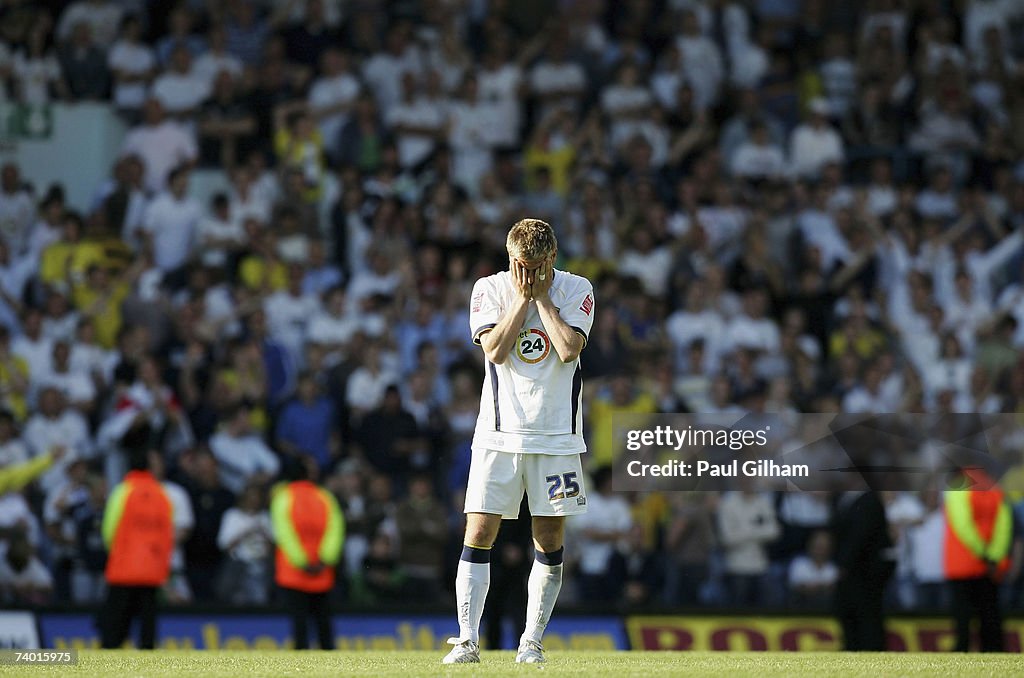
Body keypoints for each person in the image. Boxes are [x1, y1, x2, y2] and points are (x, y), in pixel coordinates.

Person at [443, 218, 595, 664]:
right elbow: (494, 351)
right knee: (479, 531)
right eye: (518, 265)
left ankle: (531, 641)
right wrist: (521, 303)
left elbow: (568, 349)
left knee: (548, 538)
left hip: (558, 439)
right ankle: (468, 640)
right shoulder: (488, 289)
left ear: (551, 259)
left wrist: (542, 300)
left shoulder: (576, 288)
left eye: (534, 265)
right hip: (498, 433)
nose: (524, 274)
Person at [100, 449, 174, 649]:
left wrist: (118, 554)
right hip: (151, 573)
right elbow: (168, 534)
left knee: (114, 630)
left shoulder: (123, 491)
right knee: (147, 631)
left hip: (123, 570)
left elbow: (109, 530)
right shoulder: (162, 495)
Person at [271, 456, 345, 650]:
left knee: (300, 628)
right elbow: (335, 528)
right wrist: (325, 559)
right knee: (325, 627)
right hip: (321, 571)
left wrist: (301, 561)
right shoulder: (324, 496)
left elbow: (284, 532)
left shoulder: (283, 496)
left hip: (293, 572)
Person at [944, 466, 1012, 652]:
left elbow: (963, 525)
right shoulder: (994, 489)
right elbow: (1004, 526)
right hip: (990, 567)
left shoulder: (959, 487)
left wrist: (982, 553)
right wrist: (993, 557)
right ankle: (994, 652)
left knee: (962, 617)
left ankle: (961, 652)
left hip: (961, 565)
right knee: (990, 615)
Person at [832, 486, 895, 651]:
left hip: (865, 570)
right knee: (856, 611)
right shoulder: (845, 497)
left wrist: (844, 563)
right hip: (857, 569)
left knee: (866, 613)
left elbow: (860, 535)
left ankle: (869, 648)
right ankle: (857, 647)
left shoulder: (868, 500)